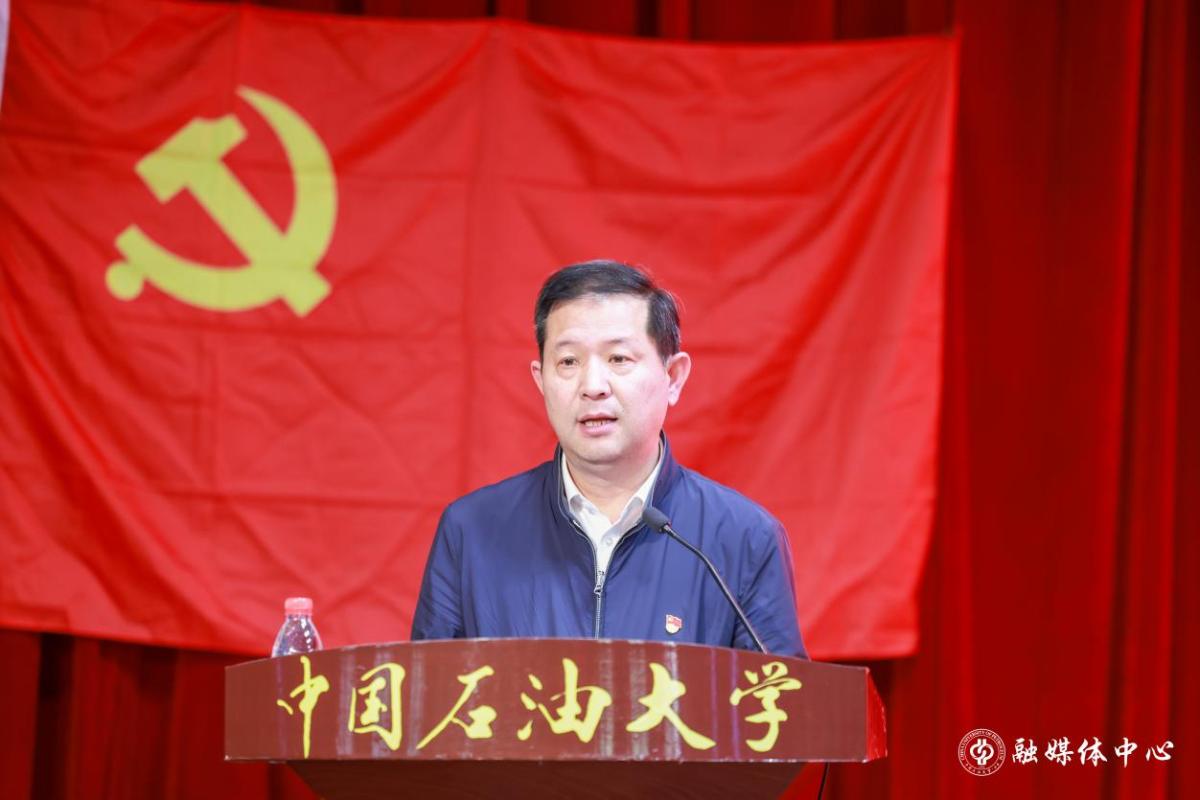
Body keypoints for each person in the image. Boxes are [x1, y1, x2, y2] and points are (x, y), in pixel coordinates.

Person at [411, 260, 806, 656]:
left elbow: (779, 693)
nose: (593, 386)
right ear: (540, 380)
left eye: (618, 359)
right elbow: (428, 691)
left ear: (673, 378)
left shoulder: (744, 539)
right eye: (568, 361)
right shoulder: (472, 532)